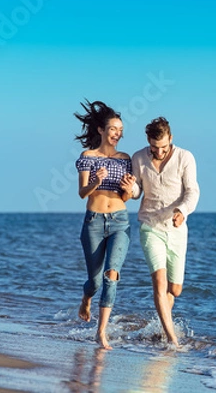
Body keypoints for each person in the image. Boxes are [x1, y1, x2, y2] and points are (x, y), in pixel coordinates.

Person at [131, 116, 200, 347]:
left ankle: (159, 327)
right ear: (148, 141)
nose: (158, 152)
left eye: (162, 147)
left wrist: (182, 210)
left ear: (171, 138)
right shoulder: (139, 158)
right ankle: (172, 340)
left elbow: (192, 192)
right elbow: (136, 190)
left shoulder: (185, 157)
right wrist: (130, 187)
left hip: (177, 229)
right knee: (159, 282)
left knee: (175, 290)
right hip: (150, 227)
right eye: (154, 147)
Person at [74, 100, 136, 350]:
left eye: (120, 129)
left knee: (112, 275)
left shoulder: (125, 159)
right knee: (95, 282)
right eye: (113, 128)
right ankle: (86, 298)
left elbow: (125, 197)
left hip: (121, 221)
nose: (117, 133)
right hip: (94, 223)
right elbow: (82, 193)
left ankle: (101, 332)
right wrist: (96, 182)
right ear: (101, 130)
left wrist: (129, 190)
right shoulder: (87, 157)